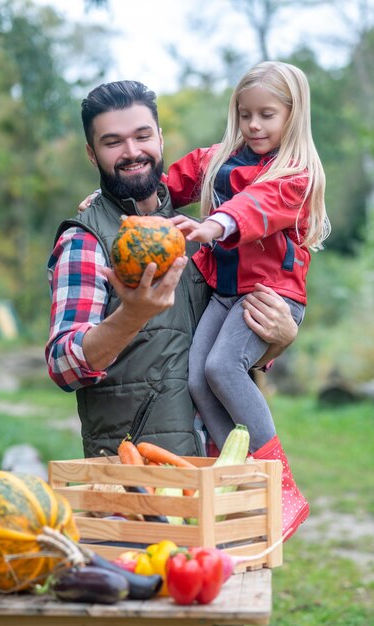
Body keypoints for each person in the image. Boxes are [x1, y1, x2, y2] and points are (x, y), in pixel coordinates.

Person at [45, 79, 297, 481]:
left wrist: (277, 342)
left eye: (142, 136)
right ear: (92, 154)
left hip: (224, 471)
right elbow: (62, 365)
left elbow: (227, 337)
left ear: (160, 139)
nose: (132, 152)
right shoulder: (85, 239)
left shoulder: (197, 233)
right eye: (113, 142)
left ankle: (277, 480)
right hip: (141, 477)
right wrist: (131, 316)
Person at [156, 61, 330, 540]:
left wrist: (211, 225)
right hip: (226, 291)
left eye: (267, 115)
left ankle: (282, 486)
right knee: (197, 375)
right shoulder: (221, 159)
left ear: (293, 115)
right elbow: (177, 178)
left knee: (222, 368)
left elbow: (255, 206)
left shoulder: (294, 175)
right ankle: (230, 473)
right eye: (246, 113)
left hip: (272, 295)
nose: (254, 125)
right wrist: (114, 197)